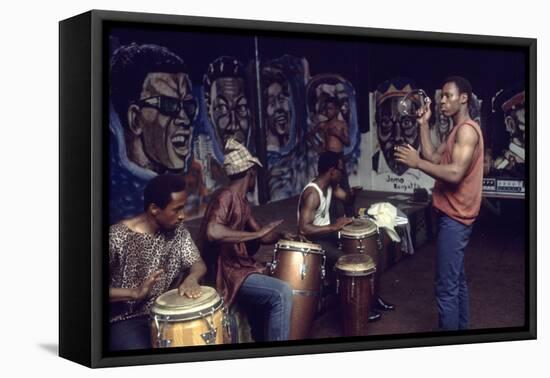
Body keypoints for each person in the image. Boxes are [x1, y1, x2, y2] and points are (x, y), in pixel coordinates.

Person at [395, 76, 484, 330]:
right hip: (453, 215)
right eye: (441, 96)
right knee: (457, 282)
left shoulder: (466, 130)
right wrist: (424, 124)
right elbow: (434, 156)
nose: (442, 100)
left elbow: (455, 173)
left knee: (446, 289)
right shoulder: (456, 130)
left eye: (448, 96)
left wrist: (417, 163)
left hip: (456, 219)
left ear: (463, 98)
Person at [198, 139, 293, 342]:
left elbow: (262, 234)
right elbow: (212, 232)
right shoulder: (225, 196)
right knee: (281, 292)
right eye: (255, 175)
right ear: (251, 173)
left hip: (237, 268)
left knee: (270, 276)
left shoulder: (242, 201)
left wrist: (282, 236)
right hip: (225, 272)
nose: (255, 179)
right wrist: (255, 235)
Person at [109, 174, 207, 350]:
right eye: (177, 209)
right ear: (154, 208)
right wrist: (134, 293)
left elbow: (197, 263)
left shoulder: (177, 231)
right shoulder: (117, 237)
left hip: (164, 315)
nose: (182, 216)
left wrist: (192, 278)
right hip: (125, 321)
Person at [296, 152, 388, 321]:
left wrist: (353, 194)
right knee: (349, 260)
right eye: (340, 171)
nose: (342, 174)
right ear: (331, 171)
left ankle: (373, 300)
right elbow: (303, 229)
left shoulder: (330, 186)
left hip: (327, 235)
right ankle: (358, 308)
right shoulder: (312, 194)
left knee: (370, 245)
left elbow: (346, 199)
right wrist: (334, 226)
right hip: (313, 242)